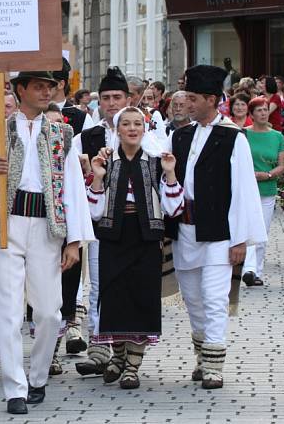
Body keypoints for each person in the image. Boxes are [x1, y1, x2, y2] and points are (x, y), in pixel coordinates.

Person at [0, 68, 94, 414]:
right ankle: (14, 388)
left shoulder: (62, 133)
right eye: (38, 86)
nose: (45, 92)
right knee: (6, 311)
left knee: (50, 312)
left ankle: (38, 377)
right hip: (6, 224)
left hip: (46, 228)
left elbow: (73, 188)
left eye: (49, 87)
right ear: (20, 89)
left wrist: (74, 239)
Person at [165, 64, 266, 390]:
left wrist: (240, 240)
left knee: (213, 298)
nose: (187, 104)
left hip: (219, 234)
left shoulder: (232, 138)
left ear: (211, 99)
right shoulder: (178, 136)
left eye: (193, 98)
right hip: (185, 231)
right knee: (192, 299)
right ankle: (202, 354)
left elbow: (244, 192)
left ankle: (214, 367)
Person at [85, 107, 183, 389]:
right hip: (114, 238)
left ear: (145, 128)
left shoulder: (156, 162)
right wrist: (98, 177)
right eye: (125, 124)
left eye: (137, 124)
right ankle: (117, 356)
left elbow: (173, 207)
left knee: (142, 298)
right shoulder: (107, 162)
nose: (131, 128)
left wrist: (170, 173)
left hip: (145, 238)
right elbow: (93, 211)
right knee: (114, 298)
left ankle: (132, 366)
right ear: (117, 130)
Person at [73, 67, 132, 377]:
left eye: (117, 97)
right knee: (97, 284)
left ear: (128, 98)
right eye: (106, 97)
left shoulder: (140, 131)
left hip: (133, 221)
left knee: (126, 285)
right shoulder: (87, 136)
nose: (111, 103)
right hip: (98, 219)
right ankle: (98, 349)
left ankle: (125, 351)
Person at [50, 58, 93, 361]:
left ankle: (74, 323)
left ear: (61, 84)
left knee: (73, 263)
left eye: (48, 83)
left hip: (71, 195)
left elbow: (84, 158)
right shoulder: (31, 118)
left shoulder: (78, 117)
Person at [242, 97, 284, 287]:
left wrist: (267, 175)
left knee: (261, 232)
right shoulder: (242, 134)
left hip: (267, 189)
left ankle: (256, 271)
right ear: (251, 114)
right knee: (245, 230)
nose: (263, 113)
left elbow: (282, 165)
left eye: (265, 109)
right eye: (258, 110)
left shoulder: (277, 136)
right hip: (245, 188)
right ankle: (247, 269)